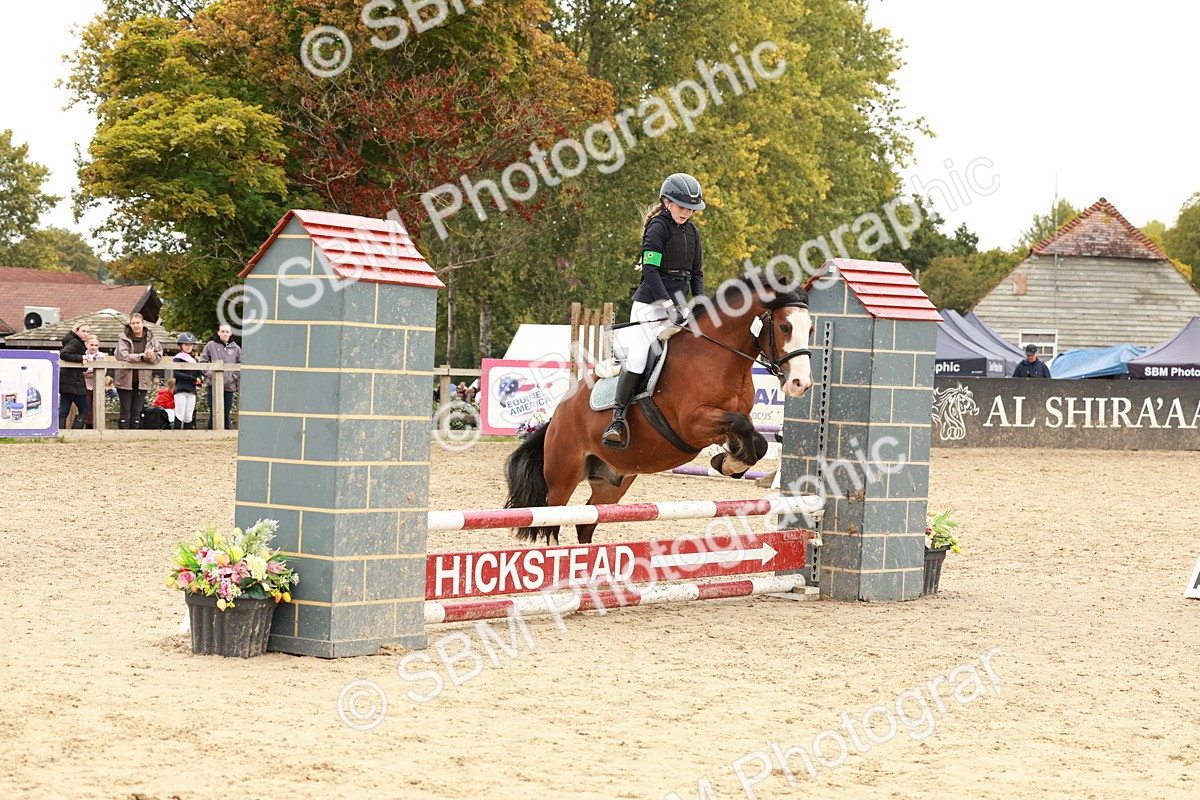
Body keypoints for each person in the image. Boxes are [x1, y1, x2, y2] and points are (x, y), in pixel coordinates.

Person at [603, 173, 707, 449]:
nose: (687, 212)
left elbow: (696, 274)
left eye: (691, 208)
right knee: (639, 354)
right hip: (650, 304)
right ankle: (617, 419)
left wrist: (703, 303)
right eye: (682, 206)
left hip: (678, 305)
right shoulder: (658, 228)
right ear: (666, 202)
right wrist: (668, 305)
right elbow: (650, 271)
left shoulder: (693, 233)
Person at [115, 313, 163, 428]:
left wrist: (150, 357)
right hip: (125, 379)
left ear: (143, 323)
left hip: (143, 380)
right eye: (133, 323)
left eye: (138, 323)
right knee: (125, 410)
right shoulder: (123, 338)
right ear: (130, 324)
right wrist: (142, 357)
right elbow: (124, 355)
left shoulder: (151, 338)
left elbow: (159, 354)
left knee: (137, 411)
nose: (136, 325)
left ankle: (134, 436)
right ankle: (123, 435)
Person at [199, 323, 241, 430]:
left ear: (230, 333)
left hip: (229, 386)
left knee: (226, 412)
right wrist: (210, 374)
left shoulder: (236, 348)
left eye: (227, 332)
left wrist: (233, 377)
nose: (225, 334)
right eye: (222, 331)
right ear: (218, 333)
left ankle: (226, 434)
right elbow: (203, 361)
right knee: (213, 411)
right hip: (213, 385)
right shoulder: (210, 345)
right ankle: (211, 434)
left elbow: (240, 364)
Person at [58, 322, 90, 430]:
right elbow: (64, 354)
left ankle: (59, 432)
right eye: (83, 331)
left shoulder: (72, 341)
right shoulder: (76, 342)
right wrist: (81, 358)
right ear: (77, 331)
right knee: (84, 409)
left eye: (88, 332)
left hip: (65, 379)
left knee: (64, 410)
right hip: (74, 381)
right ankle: (76, 433)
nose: (86, 334)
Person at [173, 332, 201, 430]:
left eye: (190, 344)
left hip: (191, 389)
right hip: (181, 388)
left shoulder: (195, 360)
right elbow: (176, 374)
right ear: (181, 345)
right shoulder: (178, 358)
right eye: (186, 344)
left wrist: (200, 379)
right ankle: (176, 434)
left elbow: (199, 373)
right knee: (179, 414)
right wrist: (193, 378)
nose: (188, 347)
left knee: (188, 416)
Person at [82, 335, 105, 428]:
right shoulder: (83, 355)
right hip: (85, 385)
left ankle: (96, 427)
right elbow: (83, 372)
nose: (94, 347)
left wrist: (89, 371)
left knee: (98, 407)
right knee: (86, 408)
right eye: (92, 345)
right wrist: (91, 371)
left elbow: (103, 371)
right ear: (86, 345)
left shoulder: (101, 355)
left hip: (98, 385)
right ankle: (87, 427)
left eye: (96, 345)